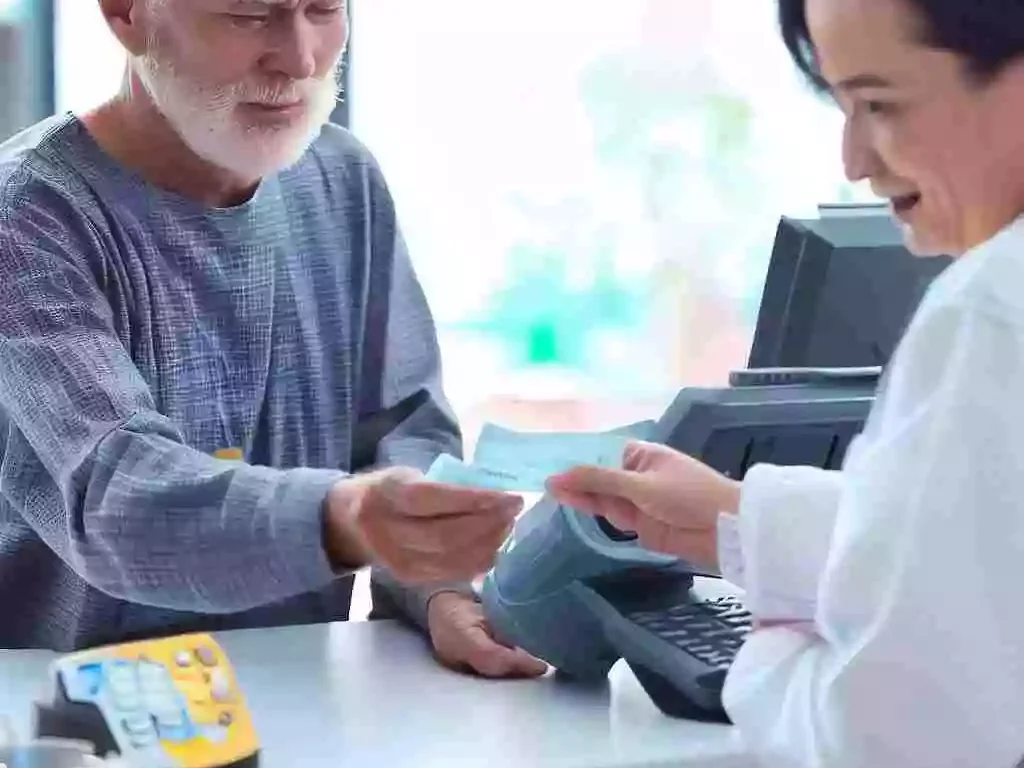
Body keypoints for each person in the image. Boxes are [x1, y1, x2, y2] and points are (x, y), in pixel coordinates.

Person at [0, 0, 547, 680]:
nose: (300, 59)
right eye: (249, 16)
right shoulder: (26, 215)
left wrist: (437, 586)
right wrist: (344, 520)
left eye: (322, 9)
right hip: (73, 717)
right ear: (125, 14)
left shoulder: (342, 178)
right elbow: (117, 497)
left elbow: (402, 431)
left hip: (301, 699)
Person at [547, 0, 1024, 765]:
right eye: (841, 107)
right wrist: (743, 521)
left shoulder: (990, 310)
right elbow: (988, 539)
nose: (855, 159)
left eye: (879, 104)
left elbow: (892, 739)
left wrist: (772, 647)